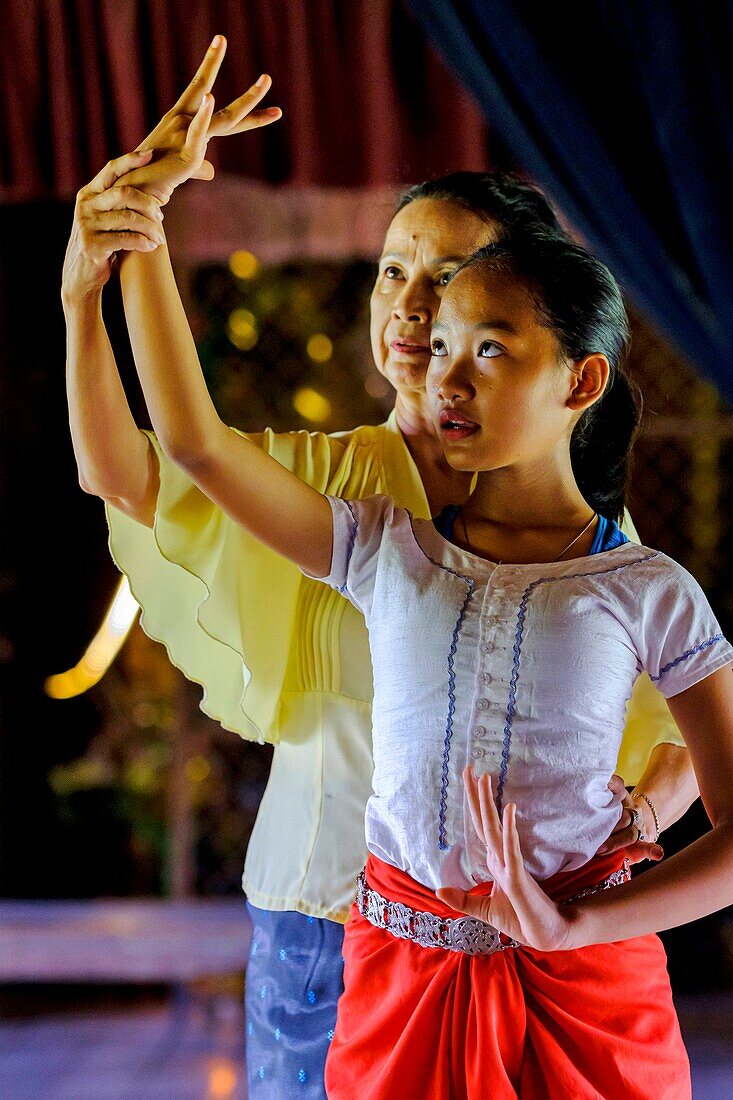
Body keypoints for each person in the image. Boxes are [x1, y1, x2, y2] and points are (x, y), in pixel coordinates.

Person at [62, 43, 699, 1097]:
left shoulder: (597, 547)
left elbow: (665, 738)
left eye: (449, 280)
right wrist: (96, 283)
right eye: (395, 268)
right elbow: (141, 465)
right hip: (323, 922)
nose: (410, 303)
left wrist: (629, 835)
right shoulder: (332, 495)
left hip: (517, 943)